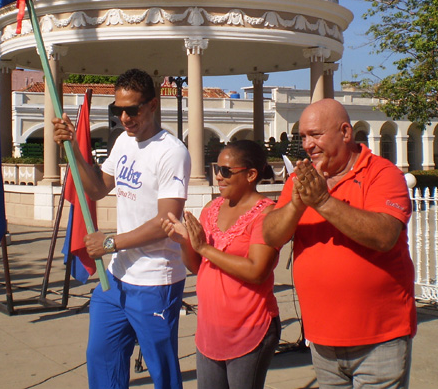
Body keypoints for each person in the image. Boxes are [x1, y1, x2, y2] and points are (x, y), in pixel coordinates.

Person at [52, 68, 191, 389]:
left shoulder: (172, 152)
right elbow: (99, 187)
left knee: (163, 371)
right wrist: (71, 147)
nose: (125, 117)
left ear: (153, 105)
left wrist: (111, 242)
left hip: (156, 282)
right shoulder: (123, 143)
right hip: (115, 280)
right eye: (118, 110)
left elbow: (167, 222)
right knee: (102, 358)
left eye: (133, 109)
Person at [263, 99, 416, 389]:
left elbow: (384, 236)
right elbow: (271, 236)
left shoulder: (382, 174)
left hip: (379, 339)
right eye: (303, 136)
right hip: (322, 340)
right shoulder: (302, 180)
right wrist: (297, 203)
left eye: (316, 134)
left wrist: (322, 201)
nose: (308, 144)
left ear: (345, 132)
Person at [162, 140, 280, 389]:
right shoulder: (211, 209)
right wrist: (185, 242)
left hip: (249, 326)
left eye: (226, 171)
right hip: (211, 329)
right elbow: (199, 267)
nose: (218, 176)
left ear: (251, 175)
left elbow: (257, 271)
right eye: (216, 168)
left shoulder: (266, 215)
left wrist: (205, 248)